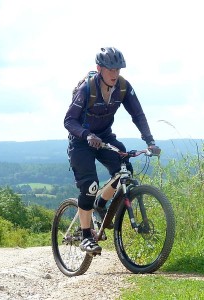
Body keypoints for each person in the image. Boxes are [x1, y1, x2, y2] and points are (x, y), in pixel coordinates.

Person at [64, 47, 160, 254]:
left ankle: (101, 203)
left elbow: (138, 114)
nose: (115, 74)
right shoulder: (87, 89)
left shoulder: (123, 87)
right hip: (81, 140)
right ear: (99, 69)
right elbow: (69, 120)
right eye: (110, 70)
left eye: (118, 70)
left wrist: (150, 141)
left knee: (124, 171)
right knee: (89, 186)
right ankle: (87, 236)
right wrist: (87, 135)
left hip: (105, 138)